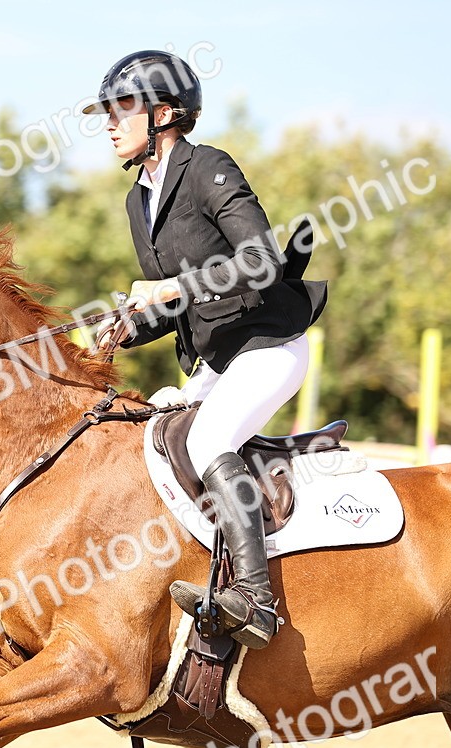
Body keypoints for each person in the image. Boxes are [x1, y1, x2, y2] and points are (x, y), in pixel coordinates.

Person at [85, 50, 327, 649]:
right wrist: (122, 328)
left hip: (269, 345)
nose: (108, 122)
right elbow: (176, 308)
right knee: (158, 434)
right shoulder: (138, 199)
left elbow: (261, 259)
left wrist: (172, 285)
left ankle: (255, 599)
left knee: (207, 442)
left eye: (121, 108)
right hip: (216, 360)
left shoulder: (208, 168)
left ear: (163, 113)